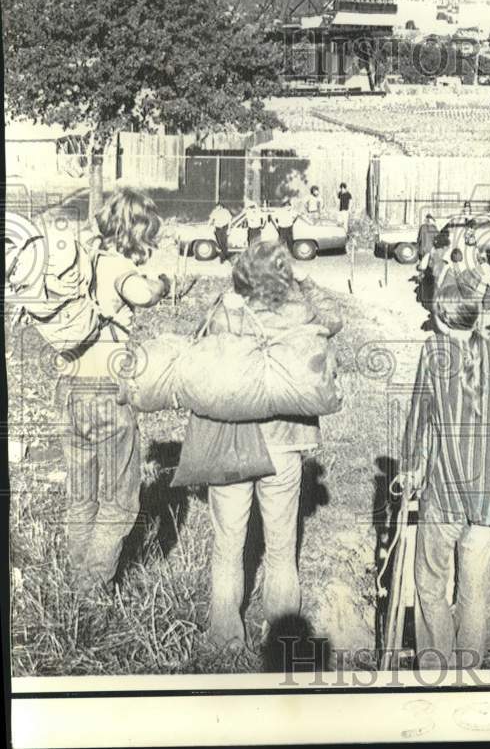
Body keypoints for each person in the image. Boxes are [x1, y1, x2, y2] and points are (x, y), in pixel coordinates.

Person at [193, 240, 343, 649]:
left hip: (231, 441)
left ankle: (225, 635)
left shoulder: (226, 313)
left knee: (228, 545)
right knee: (281, 546)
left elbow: (198, 342)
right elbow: (335, 317)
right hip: (285, 441)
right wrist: (306, 282)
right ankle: (282, 630)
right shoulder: (302, 312)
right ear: (284, 275)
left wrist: (228, 297)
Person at [61, 188, 170, 592]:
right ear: (138, 231)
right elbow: (141, 293)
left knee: (82, 493)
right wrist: (161, 284)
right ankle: (92, 587)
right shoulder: (118, 266)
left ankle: (77, 577)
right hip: (106, 391)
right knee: (120, 499)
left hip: (70, 388)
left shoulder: (84, 258)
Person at [400, 286, 490, 668]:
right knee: (473, 592)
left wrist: (409, 467)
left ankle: (436, 667)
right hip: (489, 496)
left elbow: (419, 414)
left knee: (430, 585)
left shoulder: (434, 351)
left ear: (442, 317)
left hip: (445, 494)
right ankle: (468, 671)